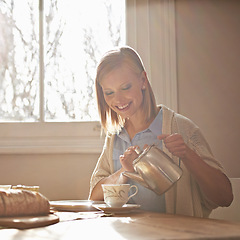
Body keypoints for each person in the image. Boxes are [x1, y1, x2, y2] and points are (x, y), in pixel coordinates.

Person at [88, 46, 233, 217]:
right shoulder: (114, 138)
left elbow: (225, 197)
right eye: (109, 92)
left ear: (143, 80)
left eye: (125, 87)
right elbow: (94, 197)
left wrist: (187, 154)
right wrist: (123, 172)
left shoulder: (181, 128)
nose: (117, 100)